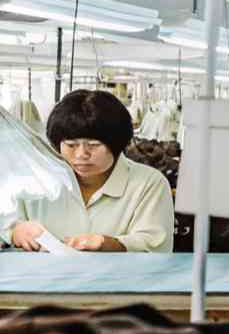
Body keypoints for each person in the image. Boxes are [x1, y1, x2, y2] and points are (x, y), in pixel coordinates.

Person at [4, 90, 174, 252]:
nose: (81, 154)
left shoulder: (149, 183)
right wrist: (14, 232)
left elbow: (156, 244)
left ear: (116, 144)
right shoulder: (37, 181)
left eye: (93, 145)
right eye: (71, 145)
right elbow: (5, 223)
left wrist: (110, 244)